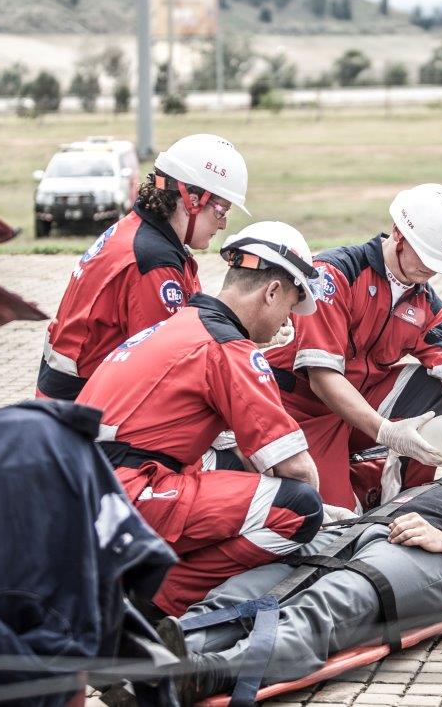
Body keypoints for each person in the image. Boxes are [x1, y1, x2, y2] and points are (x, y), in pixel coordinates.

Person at [159, 466, 442, 704]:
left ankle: (207, 674)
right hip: (360, 530)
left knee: (329, 603)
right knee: (251, 587)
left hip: (436, 556)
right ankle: (170, 647)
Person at [75, 221, 324, 616]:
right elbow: (296, 470)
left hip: (84, 487)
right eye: (290, 307)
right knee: (300, 508)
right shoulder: (228, 348)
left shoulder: (178, 325)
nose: (287, 323)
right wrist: (326, 517)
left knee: (236, 464)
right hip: (127, 493)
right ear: (272, 292)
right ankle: (157, 600)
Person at [264, 183, 442, 509]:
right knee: (330, 516)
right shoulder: (334, 275)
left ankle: (404, 500)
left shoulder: (423, 300)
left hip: (357, 406)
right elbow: (322, 379)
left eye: (440, 262)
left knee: (437, 385)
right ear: (398, 233)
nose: (431, 269)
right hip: (303, 413)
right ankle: (357, 483)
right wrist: (387, 432)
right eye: (425, 255)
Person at [36, 133, 248, 400]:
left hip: (77, 397)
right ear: (192, 201)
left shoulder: (145, 233)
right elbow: (172, 366)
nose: (223, 223)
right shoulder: (152, 261)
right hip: (83, 410)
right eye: (221, 210)